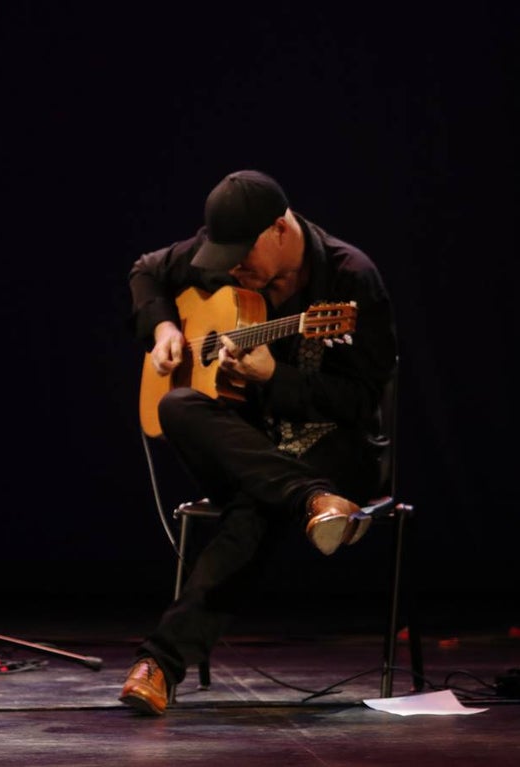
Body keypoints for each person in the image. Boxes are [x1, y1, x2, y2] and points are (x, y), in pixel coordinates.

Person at [121, 169, 397, 715]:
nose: (232, 268)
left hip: (338, 450)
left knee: (255, 505)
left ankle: (159, 664)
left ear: (278, 229)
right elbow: (145, 272)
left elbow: (361, 403)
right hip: (252, 445)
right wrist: (164, 331)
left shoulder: (351, 280)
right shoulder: (223, 249)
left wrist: (278, 378)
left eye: (241, 253)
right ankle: (311, 501)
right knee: (176, 404)